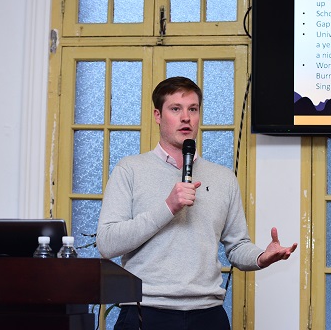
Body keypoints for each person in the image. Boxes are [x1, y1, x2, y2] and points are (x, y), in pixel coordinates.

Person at [97, 76, 298, 330]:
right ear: (158, 115)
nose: (186, 118)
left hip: (207, 315)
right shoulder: (130, 170)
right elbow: (107, 243)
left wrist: (261, 257)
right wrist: (168, 207)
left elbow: (237, 246)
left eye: (193, 109)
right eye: (175, 109)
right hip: (145, 312)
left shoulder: (223, 177)